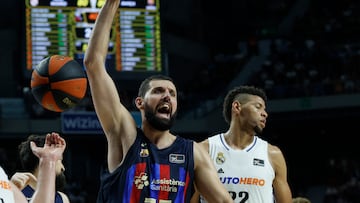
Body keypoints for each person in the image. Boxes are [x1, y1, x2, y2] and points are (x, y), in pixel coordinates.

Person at [83, 0, 233, 202]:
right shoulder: (125, 135)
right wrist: (111, 4)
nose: (167, 96)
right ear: (139, 103)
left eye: (172, 93)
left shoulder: (193, 152)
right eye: (158, 91)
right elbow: (93, 64)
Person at [191, 85, 293, 203]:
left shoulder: (273, 154)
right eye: (258, 107)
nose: (265, 113)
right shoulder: (204, 150)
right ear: (237, 107)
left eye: (264, 109)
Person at [0, 132, 66, 203]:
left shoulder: (62, 198)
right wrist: (9, 191)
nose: (63, 168)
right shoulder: (14, 190)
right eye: (60, 160)